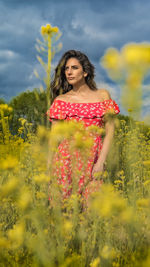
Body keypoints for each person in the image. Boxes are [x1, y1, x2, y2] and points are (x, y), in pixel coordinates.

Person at [46, 50, 120, 201]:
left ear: (85, 72)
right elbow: (53, 139)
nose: (69, 72)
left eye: (74, 68)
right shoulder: (61, 100)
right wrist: (48, 169)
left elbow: (110, 131)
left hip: (94, 159)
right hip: (65, 161)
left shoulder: (102, 95)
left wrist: (101, 162)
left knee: (91, 214)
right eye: (66, 69)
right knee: (64, 215)